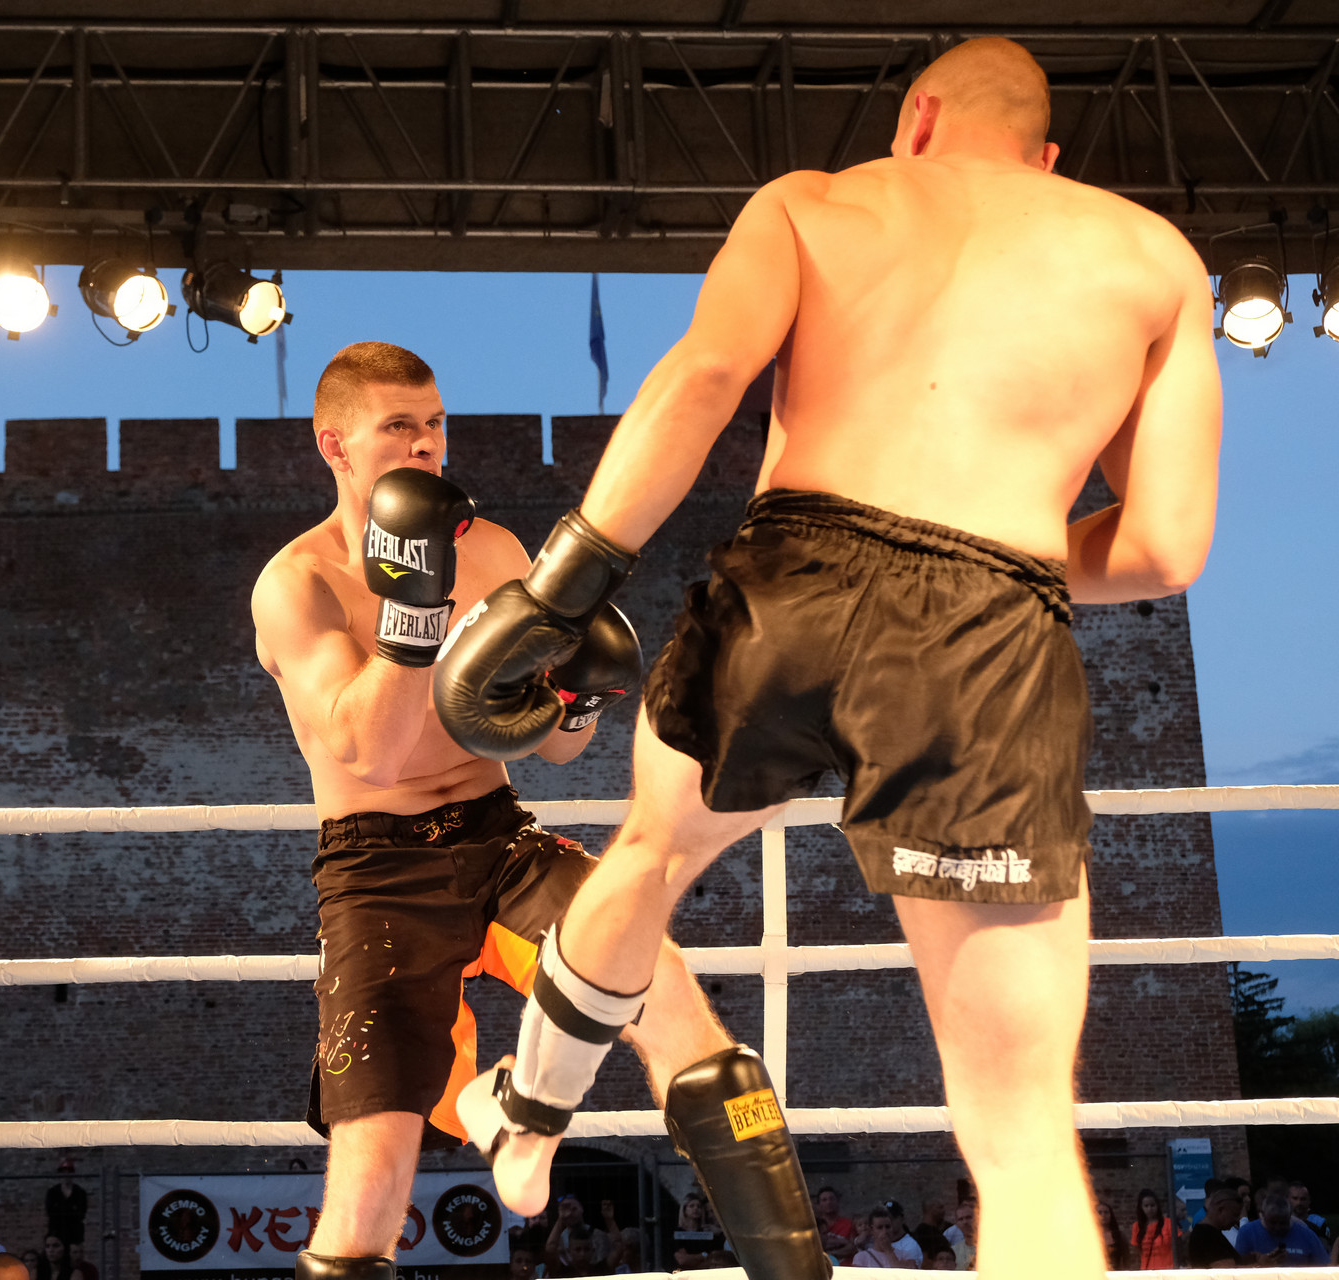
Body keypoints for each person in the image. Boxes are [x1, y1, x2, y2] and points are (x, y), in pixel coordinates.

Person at [435, 34, 1220, 1280]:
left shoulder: (815, 202)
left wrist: (557, 588)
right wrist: (994, 566)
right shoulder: (1152, 257)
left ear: (919, 118)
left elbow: (702, 378)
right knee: (1022, 1135)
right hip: (987, 627)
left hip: (793, 575)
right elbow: (1168, 545)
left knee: (648, 853)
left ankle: (529, 1115)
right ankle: (530, 1116)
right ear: (1049, 157)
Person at [251, 341, 808, 1280]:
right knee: (369, 1184)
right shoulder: (297, 583)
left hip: (500, 834)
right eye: (399, 426)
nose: (426, 445)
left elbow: (550, 748)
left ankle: (794, 1268)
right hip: (377, 873)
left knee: (676, 1005)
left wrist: (577, 700)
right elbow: (369, 752)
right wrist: (414, 612)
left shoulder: (495, 551)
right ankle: (488, 1116)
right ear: (334, 445)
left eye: (435, 424)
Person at [1235, 1191, 1327, 1266]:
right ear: (1262, 1216)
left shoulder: (1306, 1235)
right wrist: (1260, 1263)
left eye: (1283, 1223)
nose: (1277, 1227)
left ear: (1290, 1217)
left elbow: (1324, 1266)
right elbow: (1236, 1268)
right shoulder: (1247, 1233)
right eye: (1272, 1223)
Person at [45, 1160, 88, 1275]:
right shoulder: (53, 1192)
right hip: (56, 1232)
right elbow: (50, 1212)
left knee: (73, 1261)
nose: (66, 1175)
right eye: (63, 1172)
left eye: (69, 1172)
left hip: (74, 1234)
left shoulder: (80, 1192)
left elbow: (81, 1213)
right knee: (55, 1261)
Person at [1187, 1189, 1242, 1268]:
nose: (1237, 1220)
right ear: (1221, 1209)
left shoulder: (1208, 1234)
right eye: (1234, 1215)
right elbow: (1226, 1270)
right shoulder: (1206, 1236)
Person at [1133, 1190, 1175, 1270]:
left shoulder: (1168, 1223)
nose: (1150, 1209)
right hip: (1147, 1270)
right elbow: (1137, 1250)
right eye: (1146, 1206)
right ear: (1141, 1207)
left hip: (1167, 1269)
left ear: (1157, 1206)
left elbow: (1178, 1246)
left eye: (1152, 1205)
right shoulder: (1137, 1226)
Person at [816, 1188, 858, 1265]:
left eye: (832, 1199)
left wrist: (829, 1254)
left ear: (837, 1201)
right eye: (824, 1200)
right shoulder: (815, 1226)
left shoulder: (849, 1224)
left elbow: (853, 1248)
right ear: (819, 1205)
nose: (829, 1202)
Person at [882, 1203, 923, 1267]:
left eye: (892, 1218)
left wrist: (888, 1251)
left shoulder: (910, 1245)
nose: (888, 1221)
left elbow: (907, 1272)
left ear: (902, 1218)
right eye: (884, 1218)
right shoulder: (877, 1242)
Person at [1093, 1200, 1125, 1272]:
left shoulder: (1119, 1236)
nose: (1103, 1215)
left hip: (1115, 1273)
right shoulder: (1090, 1236)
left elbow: (1126, 1258)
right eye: (1100, 1212)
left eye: (1106, 1212)